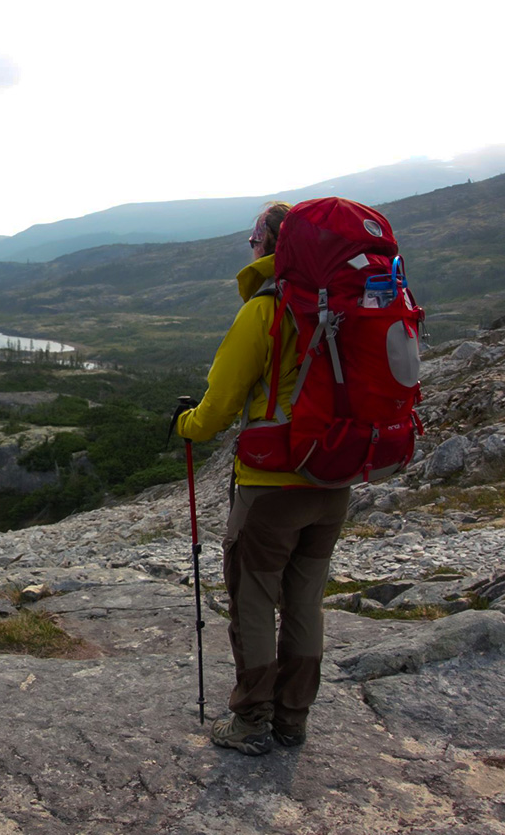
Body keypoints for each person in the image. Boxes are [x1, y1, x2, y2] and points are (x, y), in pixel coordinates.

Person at [174, 201, 351, 755]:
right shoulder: (345, 309)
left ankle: (251, 721)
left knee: (252, 598)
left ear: (273, 245)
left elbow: (219, 406)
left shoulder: (266, 310)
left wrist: (187, 423)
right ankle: (292, 720)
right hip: (334, 478)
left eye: (254, 237)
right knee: (304, 600)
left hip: (272, 484)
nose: (249, 245)